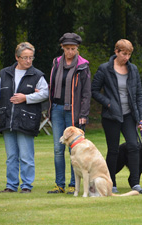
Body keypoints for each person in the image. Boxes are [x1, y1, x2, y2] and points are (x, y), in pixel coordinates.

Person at [0, 42, 49, 193]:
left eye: (31, 58)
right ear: (17, 57)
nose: (28, 61)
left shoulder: (37, 75)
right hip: (7, 118)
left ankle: (27, 186)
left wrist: (26, 97)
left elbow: (45, 93)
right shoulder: (5, 73)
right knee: (11, 156)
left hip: (26, 120)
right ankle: (11, 185)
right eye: (25, 58)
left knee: (26, 156)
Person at [91, 39, 142, 194]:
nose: (126, 57)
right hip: (111, 117)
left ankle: (135, 183)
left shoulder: (133, 70)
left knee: (134, 146)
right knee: (113, 150)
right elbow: (94, 90)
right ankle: (112, 184)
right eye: (124, 54)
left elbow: (139, 95)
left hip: (129, 115)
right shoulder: (105, 69)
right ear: (116, 52)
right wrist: (108, 103)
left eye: (129, 54)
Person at [47, 33, 91, 194]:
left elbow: (86, 93)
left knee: (75, 149)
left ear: (77, 48)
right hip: (57, 109)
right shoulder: (56, 63)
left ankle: (74, 184)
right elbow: (51, 87)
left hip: (74, 111)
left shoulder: (83, 65)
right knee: (58, 148)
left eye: (73, 49)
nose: (70, 52)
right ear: (62, 48)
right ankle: (59, 184)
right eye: (67, 49)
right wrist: (49, 108)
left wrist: (83, 114)